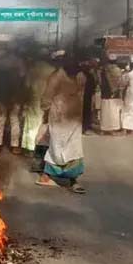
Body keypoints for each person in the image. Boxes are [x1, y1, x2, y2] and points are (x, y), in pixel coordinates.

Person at [35, 53, 86, 194]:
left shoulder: (81, 76)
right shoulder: (56, 77)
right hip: (58, 116)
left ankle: (73, 180)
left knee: (74, 148)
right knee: (56, 147)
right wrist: (45, 111)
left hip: (74, 118)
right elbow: (47, 97)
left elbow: (82, 94)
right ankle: (46, 176)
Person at [22, 48, 56, 155]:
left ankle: (30, 147)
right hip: (46, 100)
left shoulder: (32, 70)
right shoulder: (52, 70)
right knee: (43, 123)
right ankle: (41, 146)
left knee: (31, 123)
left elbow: (26, 86)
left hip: (33, 98)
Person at [99, 54, 123, 134]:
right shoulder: (117, 70)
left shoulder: (103, 70)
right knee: (113, 111)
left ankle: (103, 129)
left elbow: (99, 81)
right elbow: (120, 82)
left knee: (105, 111)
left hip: (105, 93)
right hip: (114, 93)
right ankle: (112, 129)